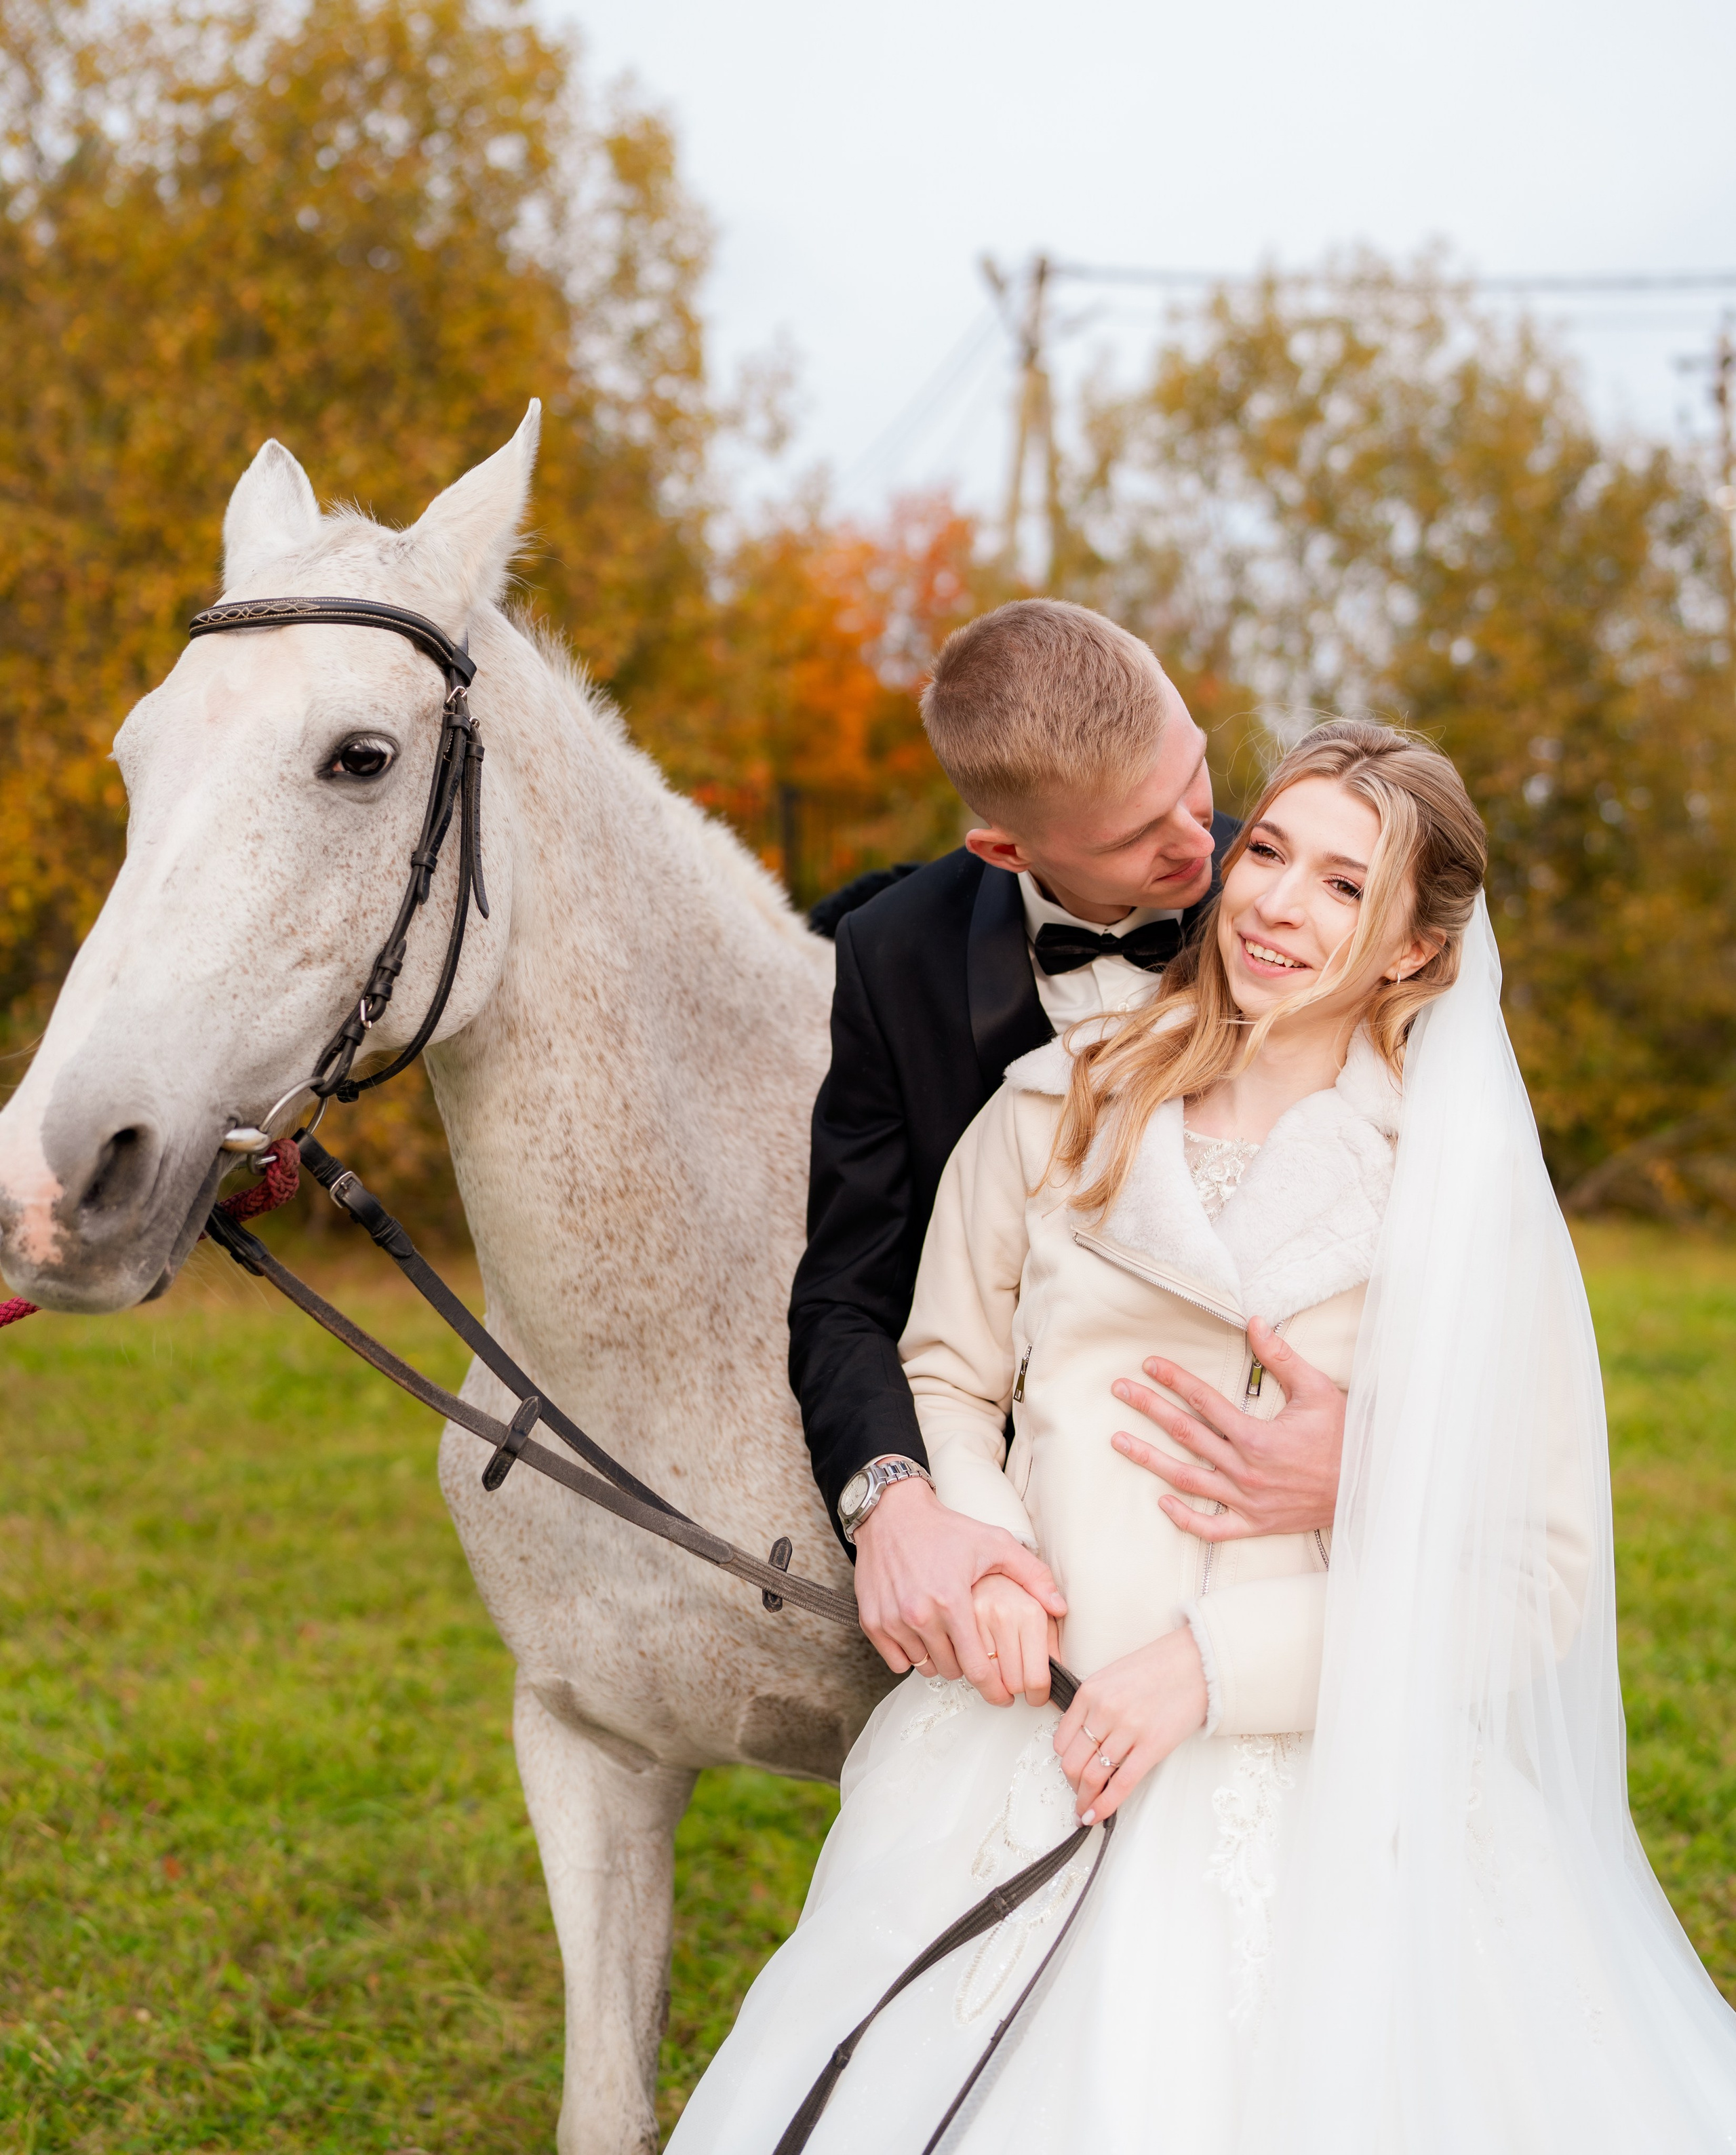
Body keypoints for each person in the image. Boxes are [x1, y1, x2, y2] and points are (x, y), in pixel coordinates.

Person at [672, 721, 1736, 2154]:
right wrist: (976, 1538)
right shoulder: (1057, 1102)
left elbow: (1527, 1579)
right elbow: (943, 1361)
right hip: (1023, 1718)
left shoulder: (1453, 1188)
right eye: (1268, 850)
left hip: (1315, 1761)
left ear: (1417, 951)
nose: (1275, 903)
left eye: (1344, 886)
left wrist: (1215, 1663)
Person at [791, 599, 1349, 1706]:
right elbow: (847, 1293)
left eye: (1192, 776)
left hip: (1287, 1573)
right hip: (1026, 1534)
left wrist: (1368, 1451)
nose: (1205, 844)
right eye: (1137, 838)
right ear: (1006, 849)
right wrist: (893, 1501)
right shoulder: (891, 956)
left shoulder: (1303, 909)